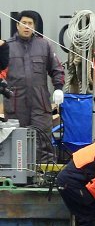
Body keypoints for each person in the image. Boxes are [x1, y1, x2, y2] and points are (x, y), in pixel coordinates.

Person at [3, 10, 64, 162]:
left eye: (30, 23)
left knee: (44, 142)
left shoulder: (44, 46)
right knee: (16, 142)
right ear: (17, 25)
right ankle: (19, 178)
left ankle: (45, 179)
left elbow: (56, 69)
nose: (27, 26)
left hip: (40, 104)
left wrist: (58, 87)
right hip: (16, 104)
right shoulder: (7, 47)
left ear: (34, 26)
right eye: (23, 23)